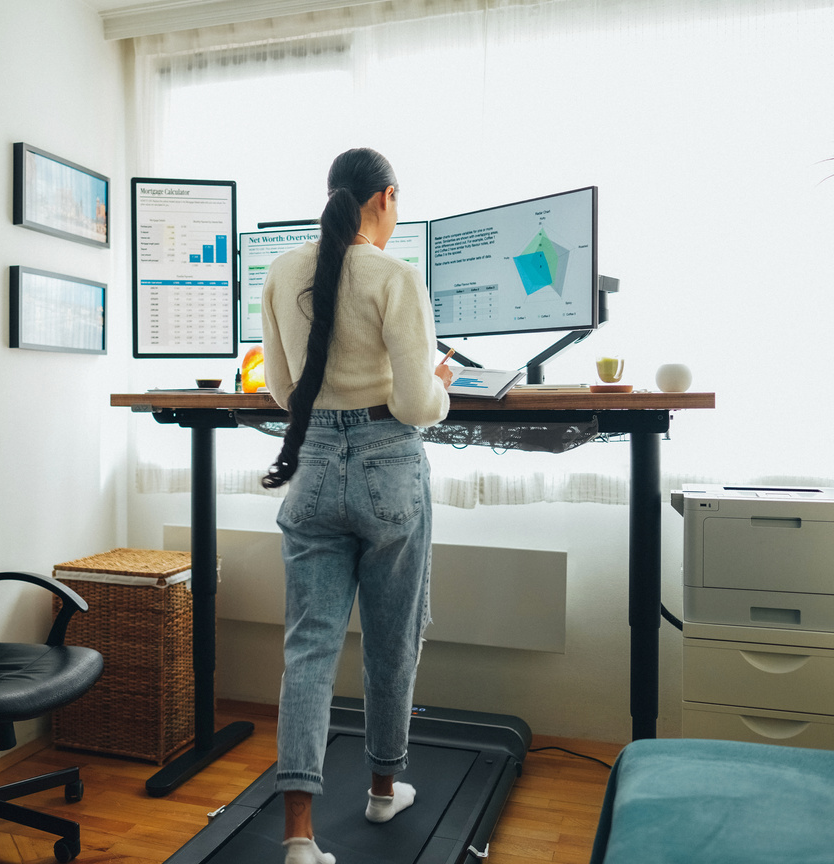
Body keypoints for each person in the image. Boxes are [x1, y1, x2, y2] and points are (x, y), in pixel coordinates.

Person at [260, 148, 454, 864]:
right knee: (391, 639)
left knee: (308, 649)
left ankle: (298, 838)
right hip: (387, 469)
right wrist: (440, 382)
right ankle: (381, 791)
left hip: (311, 466)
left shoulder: (281, 272)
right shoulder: (395, 275)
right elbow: (413, 404)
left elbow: (285, 393)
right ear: (385, 198)